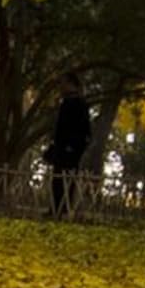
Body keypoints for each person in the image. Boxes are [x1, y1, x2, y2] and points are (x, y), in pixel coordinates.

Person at [45, 71, 92, 217]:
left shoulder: (79, 104)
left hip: (71, 149)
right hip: (61, 148)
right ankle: (55, 209)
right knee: (57, 180)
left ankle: (62, 210)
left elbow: (83, 130)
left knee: (66, 180)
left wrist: (73, 146)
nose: (60, 86)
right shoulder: (66, 102)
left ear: (71, 83)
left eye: (63, 82)